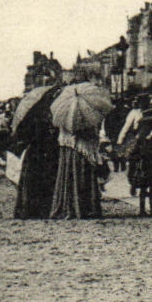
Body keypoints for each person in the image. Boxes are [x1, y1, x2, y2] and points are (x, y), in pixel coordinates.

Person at [49, 75, 108, 219]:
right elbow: (90, 134)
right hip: (82, 149)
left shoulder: (63, 112)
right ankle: (84, 207)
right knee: (82, 177)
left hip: (67, 149)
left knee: (68, 177)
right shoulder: (86, 110)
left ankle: (68, 206)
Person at [10, 79, 63, 219]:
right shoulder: (46, 119)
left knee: (33, 183)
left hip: (35, 154)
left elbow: (23, 137)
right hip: (44, 153)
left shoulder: (30, 118)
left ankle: (30, 210)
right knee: (44, 181)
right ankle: (43, 209)